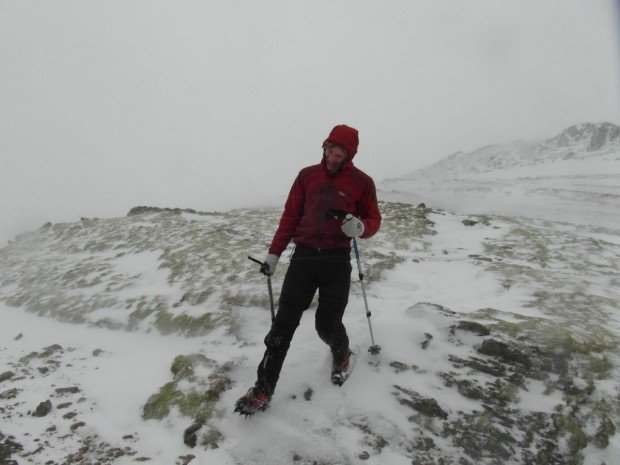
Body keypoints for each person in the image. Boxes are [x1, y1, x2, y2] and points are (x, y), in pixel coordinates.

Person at [234, 124, 382, 416]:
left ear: (349, 153)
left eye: (338, 150)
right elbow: (290, 216)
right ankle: (263, 388)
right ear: (324, 146)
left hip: (336, 260)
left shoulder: (362, 182)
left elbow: (373, 219)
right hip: (303, 258)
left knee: (326, 324)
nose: (332, 154)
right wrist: (274, 255)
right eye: (329, 148)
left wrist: (361, 227)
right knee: (282, 328)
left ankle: (341, 354)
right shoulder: (306, 176)